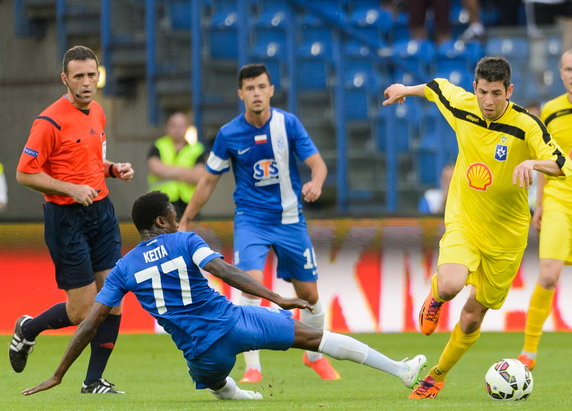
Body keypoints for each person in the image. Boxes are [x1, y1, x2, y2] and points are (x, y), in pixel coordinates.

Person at [20, 191, 427, 399]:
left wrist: (58, 373)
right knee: (314, 337)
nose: (178, 220)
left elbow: (91, 321)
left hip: (200, 353)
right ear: (162, 221)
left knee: (215, 383)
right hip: (237, 322)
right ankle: (401, 371)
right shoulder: (184, 241)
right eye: (173, 216)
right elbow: (224, 270)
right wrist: (277, 297)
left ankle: (232, 392)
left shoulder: (125, 267)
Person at [382, 56, 572, 399]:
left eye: (496, 93)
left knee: (472, 317)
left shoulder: (526, 125)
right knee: (453, 283)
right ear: (475, 88)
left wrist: (533, 161)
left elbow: (561, 164)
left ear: (509, 91)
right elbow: (435, 87)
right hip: (465, 221)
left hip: (507, 237)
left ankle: (437, 375)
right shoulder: (463, 105)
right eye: (483, 91)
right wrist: (403, 90)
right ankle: (437, 295)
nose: (488, 101)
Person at [179, 64, 336, 384]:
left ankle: (315, 357)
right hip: (251, 220)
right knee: (249, 283)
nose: (256, 93)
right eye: (249, 89)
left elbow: (317, 164)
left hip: (290, 220)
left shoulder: (288, 124)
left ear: (271, 90)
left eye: (261, 87)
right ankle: (253, 367)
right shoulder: (229, 134)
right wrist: (185, 220)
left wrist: (316, 183)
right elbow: (208, 181)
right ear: (240, 94)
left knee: (310, 297)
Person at [12, 45, 134, 394]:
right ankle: (29, 329)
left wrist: (112, 170)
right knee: (82, 311)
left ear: (98, 76)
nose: (86, 82)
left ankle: (93, 381)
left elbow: (91, 162)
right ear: (65, 79)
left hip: (101, 212)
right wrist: (70, 189)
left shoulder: (97, 112)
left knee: (113, 296)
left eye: (91, 75)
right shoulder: (48, 121)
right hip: (66, 218)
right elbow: (24, 173)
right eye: (78, 76)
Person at [518, 49, 572, 371]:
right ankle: (529, 351)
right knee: (549, 275)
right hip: (558, 199)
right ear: (560, 72)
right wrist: (538, 204)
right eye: (567, 69)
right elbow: (544, 157)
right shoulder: (550, 110)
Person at [147, 111, 205, 220]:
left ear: (187, 127)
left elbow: (199, 176)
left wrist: (168, 171)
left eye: (181, 126)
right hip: (161, 203)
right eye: (174, 125)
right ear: (167, 127)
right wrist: (187, 172)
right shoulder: (158, 146)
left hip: (189, 205)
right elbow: (156, 169)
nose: (177, 129)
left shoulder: (197, 148)